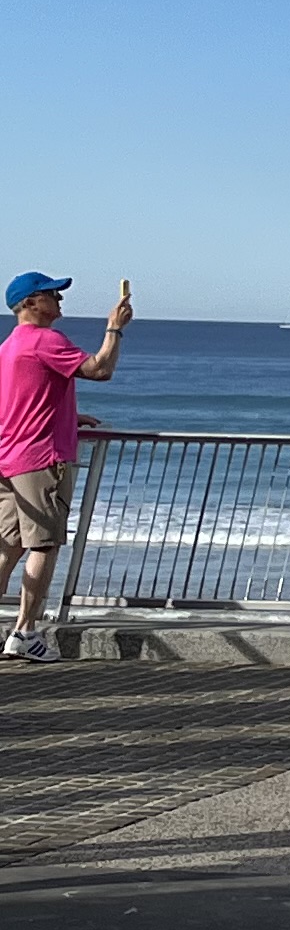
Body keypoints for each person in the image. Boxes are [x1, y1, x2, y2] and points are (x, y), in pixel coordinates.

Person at [4, 272, 131, 664]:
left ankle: (20, 631)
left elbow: (22, 400)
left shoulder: (10, 346)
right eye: (52, 294)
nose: (60, 300)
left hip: (9, 457)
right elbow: (100, 369)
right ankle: (25, 631)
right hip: (41, 460)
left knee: (7, 548)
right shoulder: (45, 340)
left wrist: (67, 416)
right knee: (44, 543)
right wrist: (115, 328)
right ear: (30, 303)